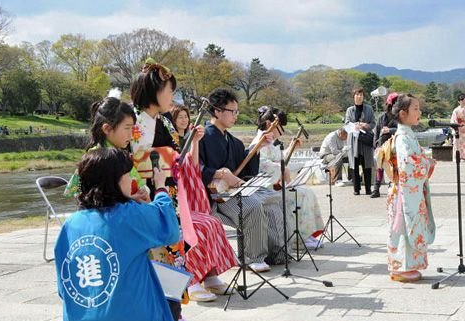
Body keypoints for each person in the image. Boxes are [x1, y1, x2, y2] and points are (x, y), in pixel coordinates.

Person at [55, 148, 181, 321]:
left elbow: (63, 287)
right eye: (127, 175)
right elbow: (170, 230)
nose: (131, 179)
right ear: (114, 180)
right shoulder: (131, 214)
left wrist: (132, 203)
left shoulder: (72, 223)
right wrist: (161, 188)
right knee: (172, 292)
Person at [130, 60, 237, 304]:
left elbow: (179, 157)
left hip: (171, 192)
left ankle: (175, 304)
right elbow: (133, 160)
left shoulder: (165, 120)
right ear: (154, 92)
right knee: (160, 250)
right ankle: (167, 305)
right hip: (147, 194)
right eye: (169, 91)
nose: (172, 96)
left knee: (173, 248)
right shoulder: (135, 121)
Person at [199, 88, 287, 271]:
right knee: (253, 205)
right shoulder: (203, 137)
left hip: (234, 191)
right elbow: (197, 168)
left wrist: (258, 147)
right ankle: (252, 257)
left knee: (271, 199)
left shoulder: (233, 141)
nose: (235, 116)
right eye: (232, 111)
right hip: (216, 196)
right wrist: (221, 174)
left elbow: (246, 167)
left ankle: (276, 252)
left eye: (236, 112)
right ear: (217, 111)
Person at [250, 106, 324, 249]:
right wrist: (280, 168)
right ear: (268, 124)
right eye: (280, 128)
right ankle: (298, 238)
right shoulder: (259, 141)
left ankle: (307, 235)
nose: (282, 132)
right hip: (266, 188)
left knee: (307, 192)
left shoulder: (269, 141)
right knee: (300, 195)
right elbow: (260, 164)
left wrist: (291, 148)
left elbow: (280, 159)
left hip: (276, 184)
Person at [385, 94, 436, 282]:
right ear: (403, 113)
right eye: (415, 109)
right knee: (404, 227)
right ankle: (401, 268)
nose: (419, 112)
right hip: (404, 192)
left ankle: (407, 266)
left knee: (408, 227)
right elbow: (408, 166)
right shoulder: (402, 137)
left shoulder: (407, 134)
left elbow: (413, 161)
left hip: (407, 190)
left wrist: (425, 161)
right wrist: (426, 162)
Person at [344, 88, 376, 195]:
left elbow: (373, 123)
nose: (359, 97)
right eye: (357, 95)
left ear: (363, 97)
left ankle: (368, 188)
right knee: (354, 164)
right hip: (353, 140)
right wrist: (355, 125)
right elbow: (347, 123)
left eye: (361, 95)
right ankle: (356, 189)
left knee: (367, 164)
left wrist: (366, 125)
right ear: (353, 97)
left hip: (366, 139)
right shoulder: (349, 110)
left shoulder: (369, 109)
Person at [371, 92, 399, 198]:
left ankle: (392, 185)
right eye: (393, 103)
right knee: (379, 166)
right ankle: (376, 188)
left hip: (394, 146)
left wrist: (390, 130)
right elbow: (376, 133)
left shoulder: (399, 116)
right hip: (382, 145)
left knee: (394, 167)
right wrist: (376, 146)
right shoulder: (382, 117)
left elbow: (403, 129)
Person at [450, 94, 465, 160]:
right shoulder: (456, 110)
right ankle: (456, 157)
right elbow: (453, 120)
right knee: (456, 143)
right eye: (462, 100)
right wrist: (456, 127)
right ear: (458, 101)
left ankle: (463, 157)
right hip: (458, 129)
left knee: (464, 144)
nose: (463, 101)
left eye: (464, 100)